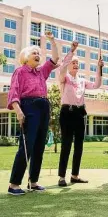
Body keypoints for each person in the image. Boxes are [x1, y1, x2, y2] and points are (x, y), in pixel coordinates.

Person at [7, 31, 59, 195]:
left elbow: (55, 58)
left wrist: (51, 40)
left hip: (44, 106)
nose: (37, 55)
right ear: (25, 57)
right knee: (26, 146)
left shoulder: (41, 72)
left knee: (39, 147)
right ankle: (14, 184)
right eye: (34, 53)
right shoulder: (20, 71)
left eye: (38, 53)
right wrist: (18, 111)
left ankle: (33, 181)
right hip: (29, 106)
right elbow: (14, 92)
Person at [57, 41, 103, 187]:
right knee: (66, 145)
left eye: (77, 63)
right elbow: (63, 66)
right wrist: (72, 51)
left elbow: (97, 85)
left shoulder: (82, 81)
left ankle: (75, 175)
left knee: (79, 146)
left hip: (79, 114)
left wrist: (99, 68)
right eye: (73, 62)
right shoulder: (64, 78)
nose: (75, 64)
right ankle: (62, 177)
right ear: (69, 63)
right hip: (67, 113)